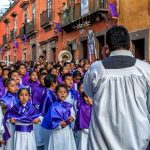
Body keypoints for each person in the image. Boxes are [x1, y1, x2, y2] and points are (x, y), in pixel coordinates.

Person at [83, 25, 150, 150]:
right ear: (129, 44)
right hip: (138, 142)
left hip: (101, 143)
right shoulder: (145, 69)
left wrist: (104, 59)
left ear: (107, 47)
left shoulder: (96, 69)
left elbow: (89, 93)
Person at [42, 84, 77, 150]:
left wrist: (72, 118)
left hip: (67, 131)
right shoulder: (54, 107)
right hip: (58, 132)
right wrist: (59, 124)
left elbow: (73, 114)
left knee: (68, 146)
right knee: (58, 146)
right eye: (60, 92)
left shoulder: (69, 105)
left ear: (67, 94)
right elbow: (51, 120)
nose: (62, 94)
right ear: (56, 94)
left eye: (64, 92)